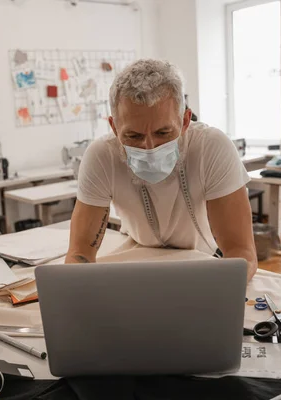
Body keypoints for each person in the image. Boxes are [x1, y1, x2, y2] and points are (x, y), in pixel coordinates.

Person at [65, 59, 257, 282]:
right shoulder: (101, 155)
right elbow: (80, 254)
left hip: (201, 262)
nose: (149, 148)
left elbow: (240, 251)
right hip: (137, 256)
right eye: (133, 136)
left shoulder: (212, 147)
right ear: (114, 127)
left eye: (163, 133)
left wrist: (217, 296)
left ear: (185, 121)